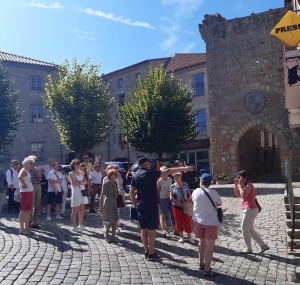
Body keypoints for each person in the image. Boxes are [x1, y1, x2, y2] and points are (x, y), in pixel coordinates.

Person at [130, 157, 194, 261]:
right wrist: (184, 168)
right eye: (149, 162)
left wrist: (134, 205)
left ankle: (146, 251)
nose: (150, 164)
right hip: (150, 205)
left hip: (140, 205)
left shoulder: (135, 175)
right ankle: (151, 253)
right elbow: (168, 171)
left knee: (143, 228)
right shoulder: (150, 173)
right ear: (145, 163)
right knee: (151, 229)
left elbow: (131, 192)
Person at [192, 173, 222, 276]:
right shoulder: (213, 192)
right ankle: (207, 269)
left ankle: (201, 263)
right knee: (209, 246)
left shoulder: (195, 192)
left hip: (198, 221)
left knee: (201, 242)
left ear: (201, 182)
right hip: (211, 222)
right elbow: (219, 203)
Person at [234, 170, 269, 255]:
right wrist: (236, 185)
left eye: (240, 177)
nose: (239, 179)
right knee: (250, 229)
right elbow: (237, 194)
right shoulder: (243, 185)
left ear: (245, 177)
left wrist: (239, 185)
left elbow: (244, 196)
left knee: (244, 229)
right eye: (238, 177)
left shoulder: (248, 185)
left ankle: (248, 248)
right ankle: (263, 245)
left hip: (250, 209)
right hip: (249, 209)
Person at [170, 172, 195, 244]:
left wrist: (186, 202)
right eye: (174, 176)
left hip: (186, 206)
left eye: (177, 176)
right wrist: (179, 204)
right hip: (176, 207)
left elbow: (189, 195)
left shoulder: (185, 184)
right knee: (178, 221)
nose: (175, 177)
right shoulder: (172, 186)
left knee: (188, 221)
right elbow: (171, 197)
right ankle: (181, 237)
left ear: (181, 177)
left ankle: (189, 237)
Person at [99, 168, 119, 243]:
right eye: (115, 174)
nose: (116, 176)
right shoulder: (106, 184)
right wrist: (100, 205)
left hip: (114, 202)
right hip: (108, 202)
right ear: (110, 176)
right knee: (112, 219)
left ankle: (113, 236)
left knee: (114, 220)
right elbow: (102, 195)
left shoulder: (115, 183)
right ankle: (106, 233)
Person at [69, 159, 88, 232]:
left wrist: (79, 182)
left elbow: (86, 182)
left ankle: (81, 224)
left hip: (82, 191)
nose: (78, 165)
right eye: (76, 164)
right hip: (76, 192)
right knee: (75, 209)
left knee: (82, 209)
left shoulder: (82, 173)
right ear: (73, 165)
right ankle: (74, 226)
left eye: (78, 164)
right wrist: (81, 182)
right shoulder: (71, 173)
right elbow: (74, 183)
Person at [157, 166, 175, 237]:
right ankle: (167, 230)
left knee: (172, 214)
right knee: (165, 215)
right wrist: (158, 201)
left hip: (170, 198)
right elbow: (158, 192)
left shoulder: (170, 179)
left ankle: (175, 229)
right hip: (163, 199)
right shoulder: (159, 181)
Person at [18, 157, 34, 235]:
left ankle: (27, 227)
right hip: (25, 192)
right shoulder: (23, 170)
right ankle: (22, 229)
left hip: (29, 191)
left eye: (33, 163)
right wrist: (24, 184)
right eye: (31, 163)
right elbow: (19, 177)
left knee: (28, 211)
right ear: (26, 163)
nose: (32, 165)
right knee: (23, 211)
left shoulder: (28, 171)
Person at [28, 156, 42, 229]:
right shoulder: (26, 170)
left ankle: (35, 222)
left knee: (37, 204)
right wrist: (35, 178)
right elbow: (30, 181)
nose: (34, 164)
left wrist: (35, 172)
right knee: (30, 205)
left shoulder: (37, 169)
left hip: (38, 186)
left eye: (35, 162)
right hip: (31, 187)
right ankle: (29, 222)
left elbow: (40, 179)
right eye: (32, 163)